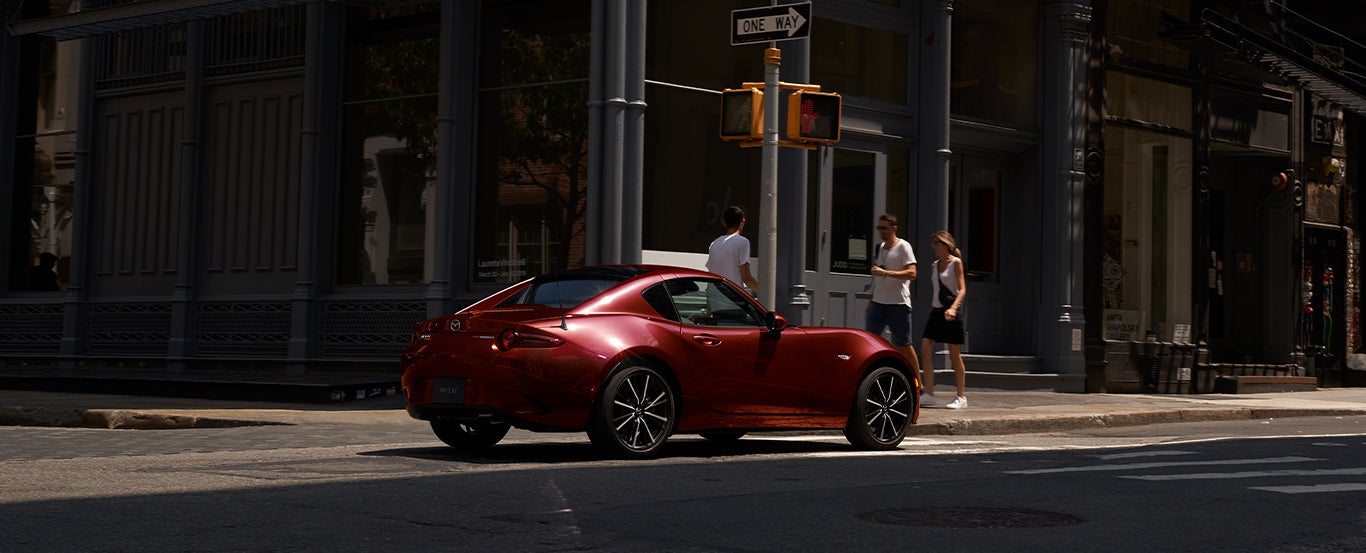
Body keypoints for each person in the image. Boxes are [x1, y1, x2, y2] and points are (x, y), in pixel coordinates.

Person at [865, 214, 921, 389]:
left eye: (885, 228)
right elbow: (878, 277)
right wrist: (871, 300)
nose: (881, 231)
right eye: (879, 228)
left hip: (898, 304)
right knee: (870, 341)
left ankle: (918, 383)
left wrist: (888, 273)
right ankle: (870, 379)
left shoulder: (904, 246)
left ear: (894, 228)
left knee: (904, 344)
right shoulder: (880, 247)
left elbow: (912, 273)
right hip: (878, 304)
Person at [920, 231, 968, 409]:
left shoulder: (956, 263)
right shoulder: (934, 265)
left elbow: (962, 289)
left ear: (946, 245)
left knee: (954, 355)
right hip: (936, 312)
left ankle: (961, 397)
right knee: (925, 349)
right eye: (933, 243)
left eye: (937, 243)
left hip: (951, 312)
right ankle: (929, 393)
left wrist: (954, 308)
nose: (934, 247)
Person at [705, 206, 759, 293]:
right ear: (743, 222)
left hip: (714, 296)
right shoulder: (743, 242)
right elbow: (746, 278)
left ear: (724, 223)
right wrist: (762, 293)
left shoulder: (714, 243)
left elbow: (711, 274)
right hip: (732, 297)